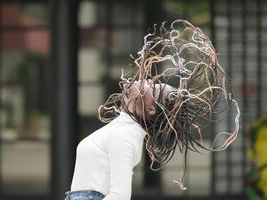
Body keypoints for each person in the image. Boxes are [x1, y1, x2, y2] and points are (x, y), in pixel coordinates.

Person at [64, 19, 240, 200]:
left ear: (151, 110)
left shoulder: (125, 135)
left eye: (154, 88)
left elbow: (120, 195)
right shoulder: (122, 128)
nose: (149, 81)